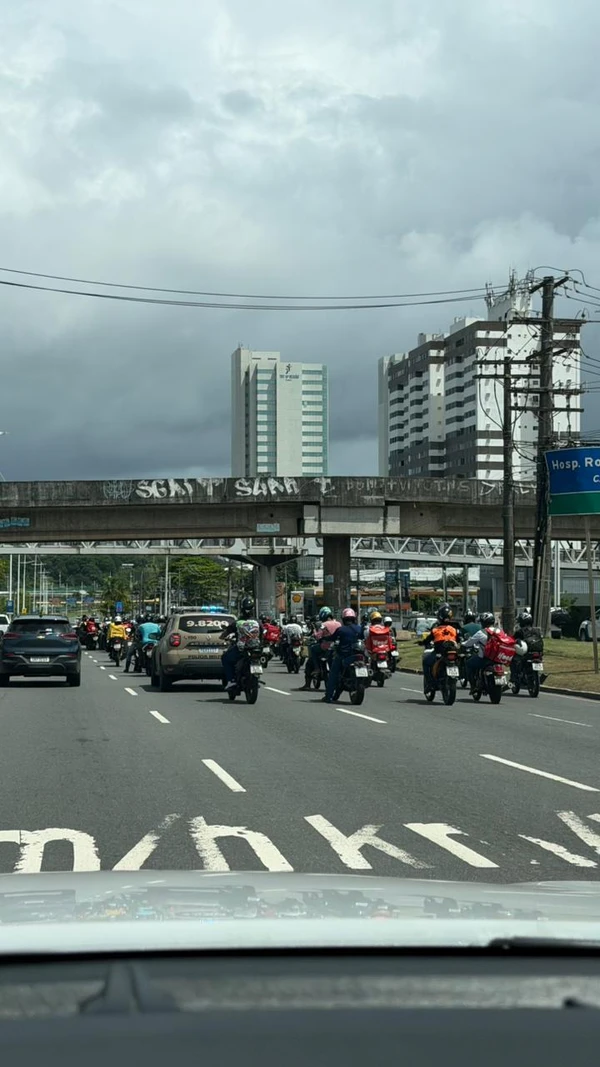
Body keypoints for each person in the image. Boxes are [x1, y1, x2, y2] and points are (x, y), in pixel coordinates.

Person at [323, 607, 363, 704]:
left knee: (333, 674)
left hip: (344, 656)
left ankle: (328, 696)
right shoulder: (359, 628)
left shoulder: (341, 630)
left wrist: (324, 638)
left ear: (344, 619)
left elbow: (332, 638)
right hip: (358, 655)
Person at [220, 597, 261, 690]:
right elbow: (262, 634)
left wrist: (222, 637)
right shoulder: (258, 622)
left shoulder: (238, 622)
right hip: (256, 648)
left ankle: (231, 681)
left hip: (242, 649)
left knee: (225, 658)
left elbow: (226, 632)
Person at [299, 607, 341, 690]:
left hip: (325, 646)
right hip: (336, 647)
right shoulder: (338, 624)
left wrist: (314, 633)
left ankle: (315, 670)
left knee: (312, 651)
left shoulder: (323, 624)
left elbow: (318, 636)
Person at [421, 604, 459, 691]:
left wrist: (423, 642)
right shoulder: (455, 628)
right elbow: (460, 638)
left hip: (440, 652)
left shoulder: (436, 628)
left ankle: (430, 683)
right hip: (453, 651)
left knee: (425, 662)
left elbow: (428, 639)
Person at [462, 611, 496, 689]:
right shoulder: (500, 631)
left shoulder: (481, 633)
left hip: (484, 658)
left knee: (468, 664)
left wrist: (462, 644)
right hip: (497, 659)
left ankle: (473, 686)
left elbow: (469, 643)